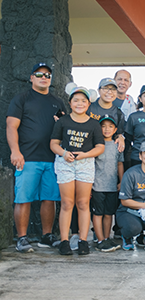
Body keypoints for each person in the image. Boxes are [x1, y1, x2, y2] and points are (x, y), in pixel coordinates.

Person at [6, 63, 66, 252]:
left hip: (52, 159)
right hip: (27, 157)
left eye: (47, 75)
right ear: (32, 77)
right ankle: (22, 238)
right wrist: (15, 151)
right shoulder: (21, 99)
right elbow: (11, 127)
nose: (44, 77)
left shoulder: (58, 102)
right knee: (23, 199)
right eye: (39, 74)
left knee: (50, 199)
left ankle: (46, 236)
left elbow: (66, 129)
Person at [50, 87, 105, 255]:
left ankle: (83, 240)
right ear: (70, 103)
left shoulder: (94, 124)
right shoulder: (62, 121)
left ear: (88, 104)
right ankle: (65, 241)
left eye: (83, 101)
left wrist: (85, 155)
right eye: (76, 100)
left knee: (83, 203)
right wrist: (64, 153)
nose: (79, 103)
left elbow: (100, 147)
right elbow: (53, 144)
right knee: (67, 203)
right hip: (65, 162)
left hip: (85, 163)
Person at [116, 140, 145, 251]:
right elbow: (125, 201)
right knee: (134, 228)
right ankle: (127, 236)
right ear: (140, 156)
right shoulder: (131, 173)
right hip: (128, 211)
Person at [91, 115, 124, 252]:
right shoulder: (95, 145)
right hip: (97, 186)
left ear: (115, 129)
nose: (106, 129)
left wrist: (121, 181)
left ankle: (106, 237)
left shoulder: (117, 145)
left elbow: (120, 163)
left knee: (108, 213)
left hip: (111, 186)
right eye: (103, 126)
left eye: (110, 126)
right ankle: (100, 239)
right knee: (98, 213)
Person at [86, 78, 125, 152]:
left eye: (113, 89)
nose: (109, 92)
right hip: (87, 150)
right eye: (105, 88)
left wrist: (120, 137)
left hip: (106, 153)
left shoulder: (119, 113)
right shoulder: (88, 107)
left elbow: (118, 133)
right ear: (99, 90)